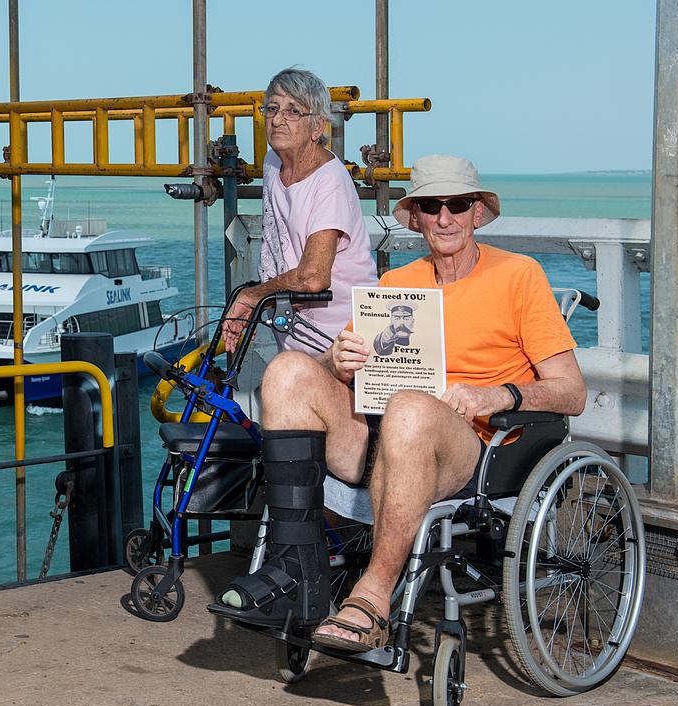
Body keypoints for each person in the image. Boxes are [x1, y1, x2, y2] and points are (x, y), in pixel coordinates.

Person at [213, 155, 586, 654]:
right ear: (417, 217)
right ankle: (294, 568)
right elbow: (330, 370)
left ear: (477, 213)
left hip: (477, 443)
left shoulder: (519, 276)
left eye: (457, 205)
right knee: (287, 371)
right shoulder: (395, 285)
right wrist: (335, 359)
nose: (445, 217)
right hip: (380, 434)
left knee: (409, 409)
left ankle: (372, 598)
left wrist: (498, 394)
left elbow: (571, 391)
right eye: (432, 206)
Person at [220, 67, 377, 356]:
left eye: (293, 111)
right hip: (296, 331)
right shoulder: (273, 163)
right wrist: (261, 301)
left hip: (343, 339)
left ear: (317, 127)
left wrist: (253, 296)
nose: (278, 120)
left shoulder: (329, 181)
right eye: (272, 108)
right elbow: (276, 245)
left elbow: (313, 278)